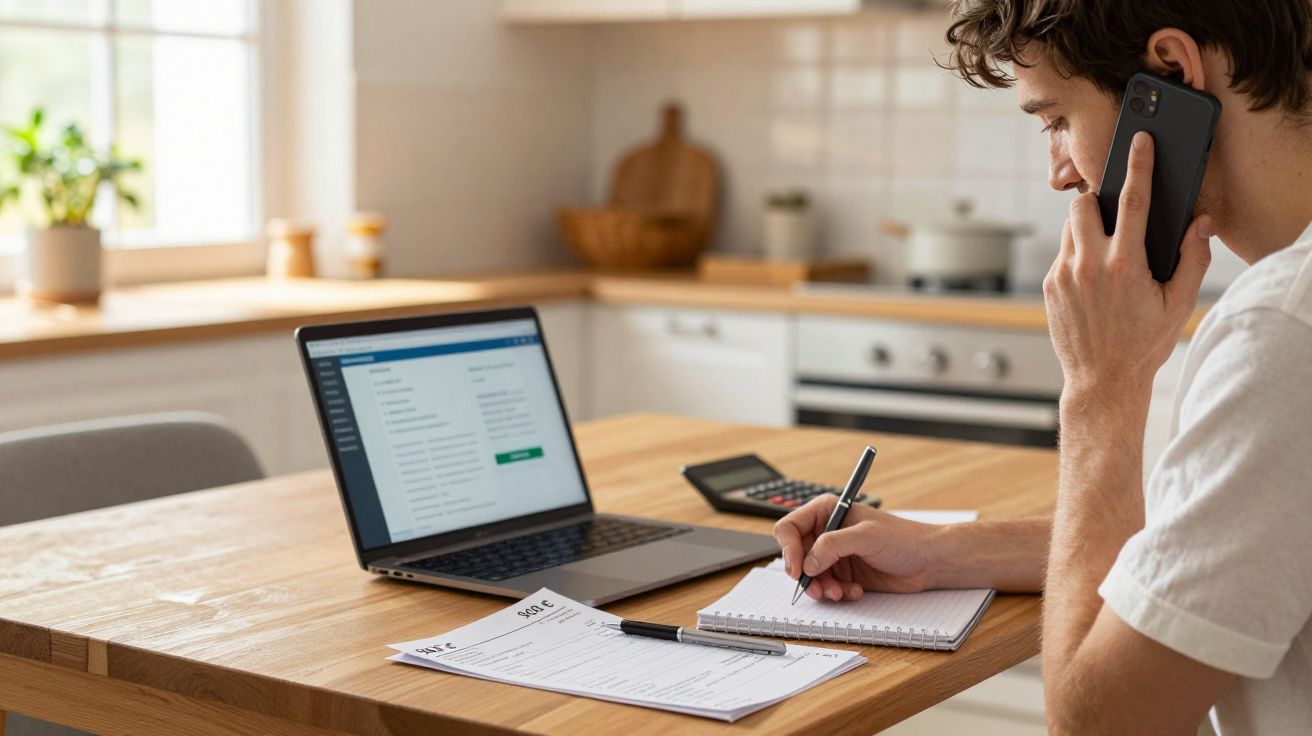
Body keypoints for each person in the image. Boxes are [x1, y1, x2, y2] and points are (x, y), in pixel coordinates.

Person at [772, 1, 1312, 733]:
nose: (1059, 172)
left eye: (1055, 119)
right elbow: (1230, 541)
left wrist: (1102, 390)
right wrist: (940, 552)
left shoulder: (1282, 333)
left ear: (1172, 72)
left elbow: (1099, 725)